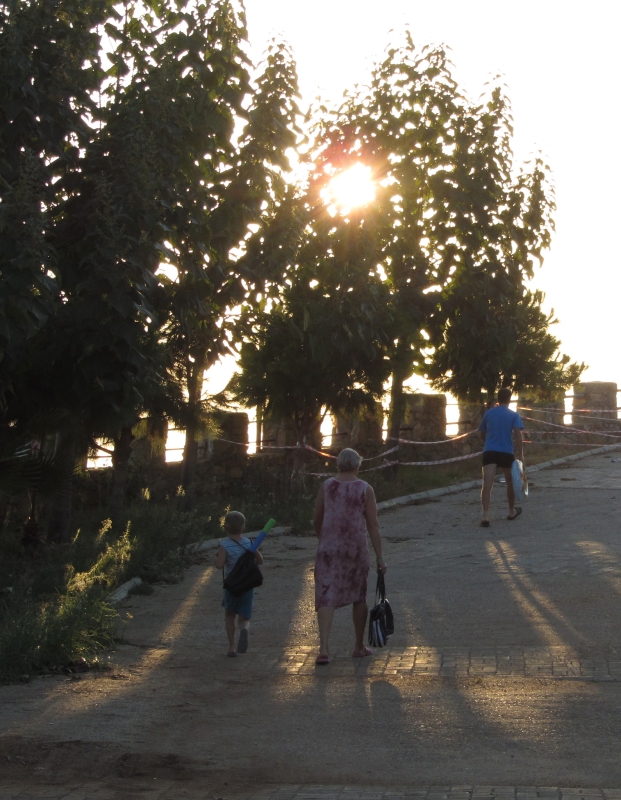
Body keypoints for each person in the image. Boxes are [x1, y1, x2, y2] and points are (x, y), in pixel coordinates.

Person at [313, 447, 387, 665]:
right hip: (355, 549)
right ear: (357, 465)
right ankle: (358, 645)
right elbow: (373, 525)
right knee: (359, 595)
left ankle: (324, 648)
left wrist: (323, 538)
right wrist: (380, 557)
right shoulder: (365, 489)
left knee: (325, 594)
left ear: (338, 464)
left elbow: (317, 518)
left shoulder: (326, 486)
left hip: (329, 548)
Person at [213, 511, 264, 657]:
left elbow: (219, 565)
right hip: (247, 586)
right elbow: (260, 561)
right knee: (244, 617)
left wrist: (215, 558)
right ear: (243, 527)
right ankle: (245, 629)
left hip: (232, 586)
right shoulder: (249, 543)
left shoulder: (225, 545)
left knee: (229, 615)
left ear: (225, 528)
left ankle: (232, 647)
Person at [478, 387, 525, 527]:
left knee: (487, 484)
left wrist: (489, 442)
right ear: (509, 399)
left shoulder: (488, 414)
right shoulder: (513, 415)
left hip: (490, 451)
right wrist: (521, 454)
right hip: (506, 452)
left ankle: (485, 515)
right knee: (510, 482)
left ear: (498, 398)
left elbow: (482, 434)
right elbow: (517, 435)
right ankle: (511, 511)